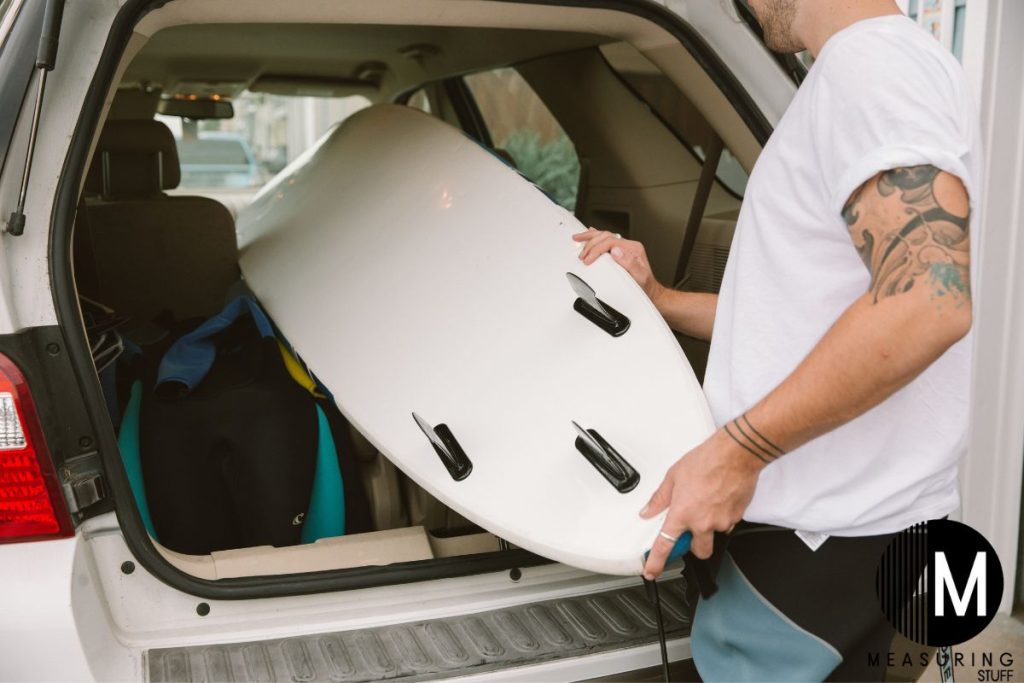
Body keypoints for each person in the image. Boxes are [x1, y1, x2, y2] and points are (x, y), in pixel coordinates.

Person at [574, 0, 982, 679]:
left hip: (825, 556)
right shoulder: (882, 67)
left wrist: (735, 454)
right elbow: (813, 311)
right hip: (877, 539)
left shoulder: (867, 67)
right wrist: (661, 300)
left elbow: (926, 301)